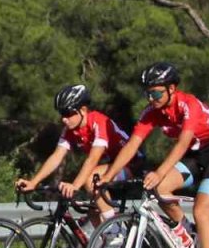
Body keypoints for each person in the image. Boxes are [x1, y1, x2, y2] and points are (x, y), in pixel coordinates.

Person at [98, 62, 209, 248]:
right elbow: (132, 145)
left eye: (156, 92)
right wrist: (108, 176)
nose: (151, 98)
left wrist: (160, 171)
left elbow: (183, 143)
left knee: (202, 209)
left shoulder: (188, 104)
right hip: (196, 155)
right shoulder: (151, 112)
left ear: (172, 88)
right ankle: (187, 231)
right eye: (148, 93)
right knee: (160, 189)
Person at [16, 84, 138, 235]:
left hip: (131, 165)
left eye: (68, 113)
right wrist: (34, 182)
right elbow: (56, 157)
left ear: (83, 110)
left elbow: (93, 159)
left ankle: (116, 232)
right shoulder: (70, 131)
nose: (64, 119)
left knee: (90, 180)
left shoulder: (98, 122)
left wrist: (74, 185)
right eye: (61, 114)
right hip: (109, 167)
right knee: (92, 211)